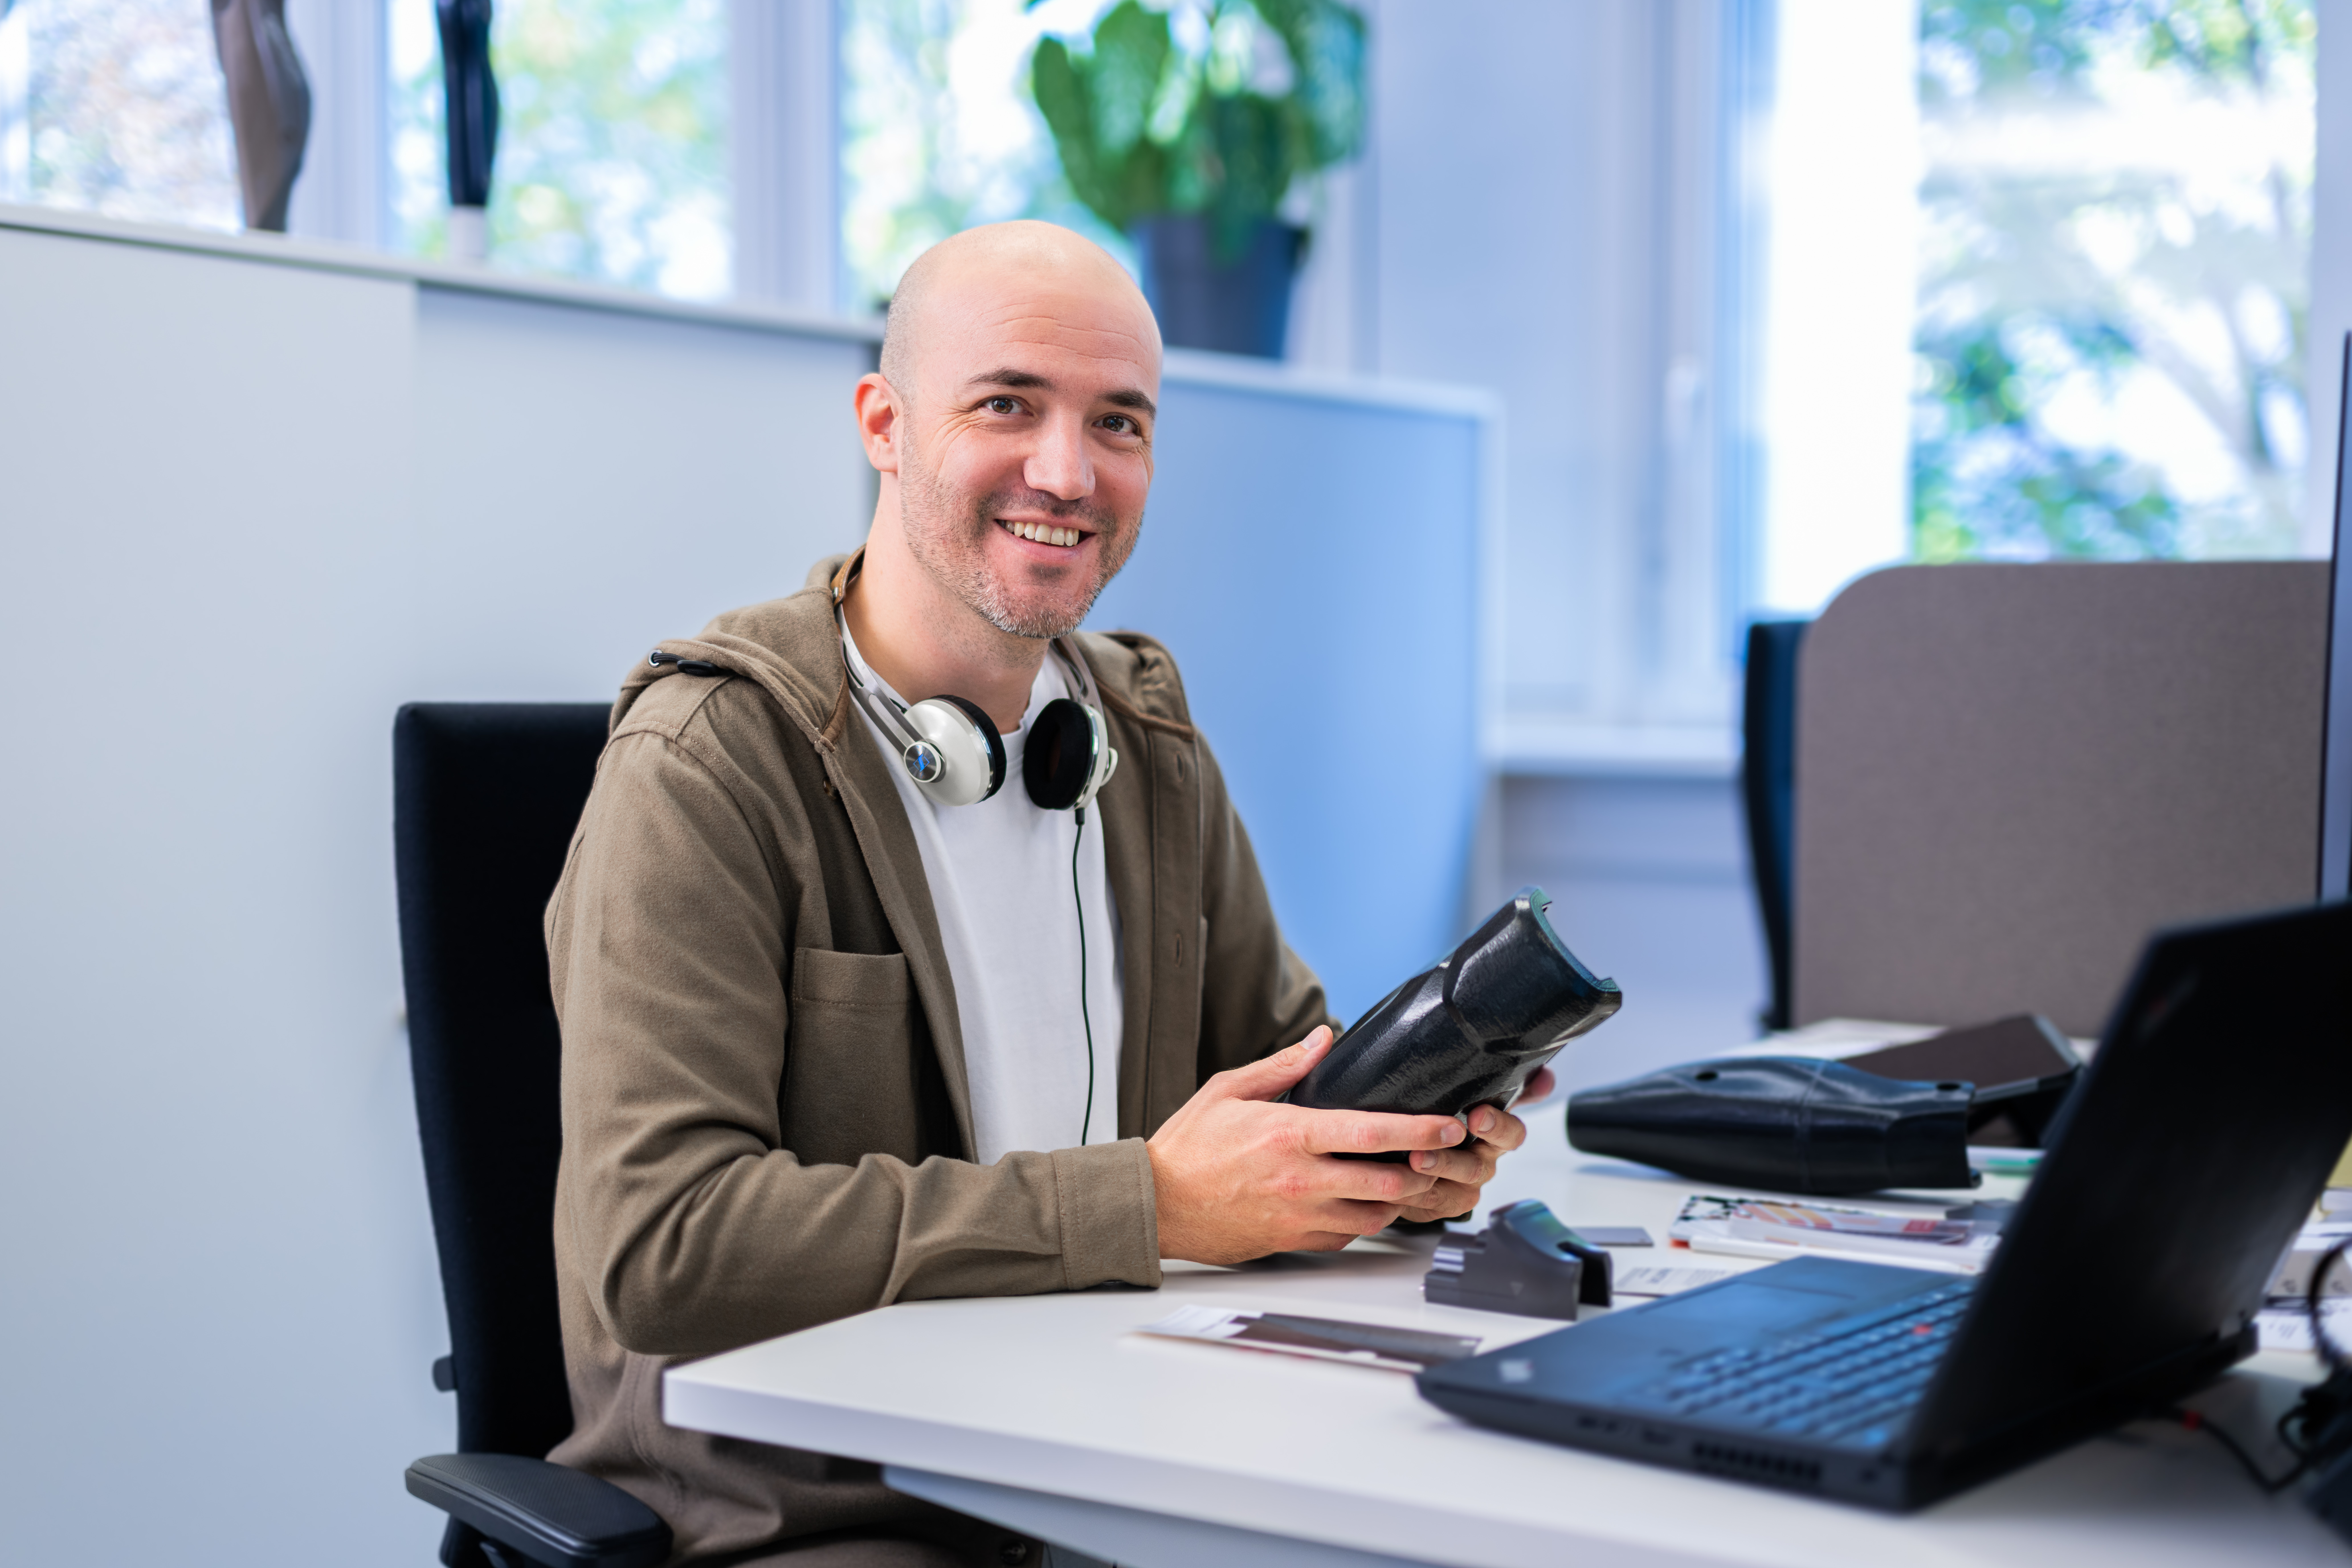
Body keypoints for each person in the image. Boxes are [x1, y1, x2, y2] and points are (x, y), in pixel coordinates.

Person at [543, 220, 1553, 1567]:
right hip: (821, 1511)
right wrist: (1144, 1201)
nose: (1069, 472)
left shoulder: (1141, 739)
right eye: (1007, 403)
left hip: (1117, 1443)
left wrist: (1391, 1160)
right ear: (885, 425)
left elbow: (1281, 1082)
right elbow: (662, 1242)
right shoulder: (710, 762)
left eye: (1120, 423)